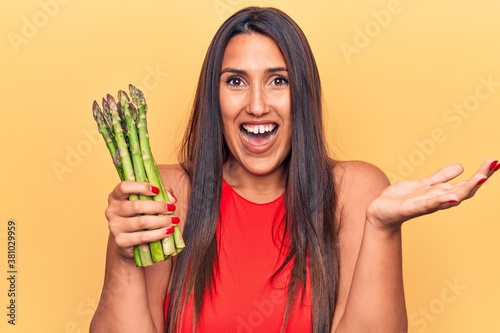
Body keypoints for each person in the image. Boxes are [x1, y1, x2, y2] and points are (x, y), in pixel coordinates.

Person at [89, 6, 497, 333]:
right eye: (235, 82)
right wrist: (125, 258)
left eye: (278, 80)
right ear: (213, 96)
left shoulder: (354, 191)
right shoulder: (163, 193)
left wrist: (381, 228)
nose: (257, 105)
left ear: (303, 92)